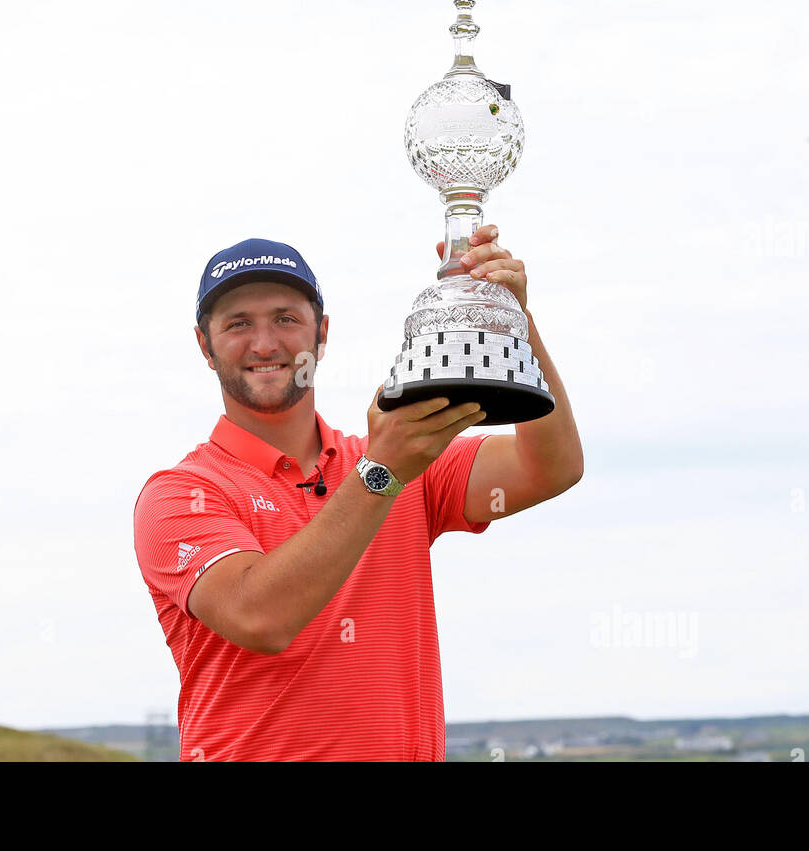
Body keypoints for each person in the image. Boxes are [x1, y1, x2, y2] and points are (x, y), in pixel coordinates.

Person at [133, 225, 583, 761]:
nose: (265, 343)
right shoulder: (182, 494)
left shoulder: (400, 457)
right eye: (237, 324)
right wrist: (382, 472)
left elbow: (551, 466)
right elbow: (260, 617)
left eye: (286, 319)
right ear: (204, 345)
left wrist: (512, 322)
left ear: (321, 334)